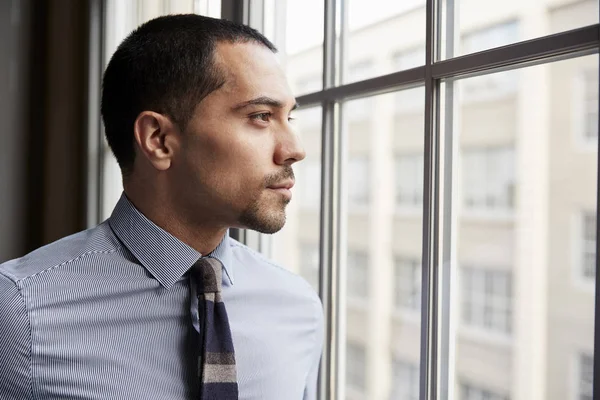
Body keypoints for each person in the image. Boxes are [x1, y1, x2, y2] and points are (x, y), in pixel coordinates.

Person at [0, 14, 323, 400]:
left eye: (290, 117)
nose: (294, 149)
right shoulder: (17, 311)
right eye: (260, 117)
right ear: (159, 139)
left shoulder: (297, 306)